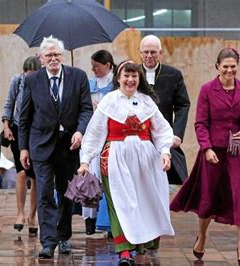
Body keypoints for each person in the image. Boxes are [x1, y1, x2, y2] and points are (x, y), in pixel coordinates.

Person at [170, 48, 240, 264]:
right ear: (217, 66)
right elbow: (200, 123)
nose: (229, 70)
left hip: (238, 153)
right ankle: (203, 236)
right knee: (208, 197)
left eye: (233, 66)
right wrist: (206, 148)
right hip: (213, 153)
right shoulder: (207, 90)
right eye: (225, 66)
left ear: (237, 66)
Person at [77, 61, 175, 266]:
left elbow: (162, 131)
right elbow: (94, 133)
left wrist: (165, 152)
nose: (130, 80)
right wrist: (85, 160)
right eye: (126, 76)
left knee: (143, 203)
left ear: (139, 79)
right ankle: (123, 252)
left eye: (134, 76)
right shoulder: (108, 102)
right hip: (115, 161)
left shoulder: (147, 102)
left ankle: (139, 244)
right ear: (118, 78)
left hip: (145, 163)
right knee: (121, 205)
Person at [19, 35, 93, 258]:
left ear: (62, 56)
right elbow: (24, 117)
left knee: (66, 193)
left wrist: (80, 130)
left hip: (69, 145)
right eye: (48, 55)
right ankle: (48, 242)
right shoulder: (32, 80)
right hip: (41, 145)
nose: (53, 59)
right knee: (43, 192)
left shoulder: (78, 77)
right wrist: (23, 148)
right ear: (41, 58)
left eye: (57, 54)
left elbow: (86, 109)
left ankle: (64, 236)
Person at [139, 35, 191, 185]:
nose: (149, 56)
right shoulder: (133, 74)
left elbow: (183, 105)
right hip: (139, 136)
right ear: (140, 53)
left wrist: (177, 134)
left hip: (163, 135)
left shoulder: (173, 75)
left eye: (153, 52)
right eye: (146, 52)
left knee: (164, 179)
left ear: (160, 53)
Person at [2, 56, 41, 236]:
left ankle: (33, 216)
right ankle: (20, 213)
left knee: (35, 176)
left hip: (37, 131)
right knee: (21, 172)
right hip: (18, 128)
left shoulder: (44, 83)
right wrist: (6, 126)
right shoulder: (18, 81)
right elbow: (9, 103)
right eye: (28, 74)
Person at [82, 49, 115, 236]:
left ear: (108, 65)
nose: (93, 70)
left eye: (97, 66)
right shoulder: (89, 84)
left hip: (110, 138)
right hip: (92, 135)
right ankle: (90, 218)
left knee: (108, 180)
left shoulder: (117, 85)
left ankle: (109, 222)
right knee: (90, 177)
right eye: (92, 66)